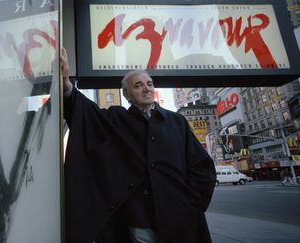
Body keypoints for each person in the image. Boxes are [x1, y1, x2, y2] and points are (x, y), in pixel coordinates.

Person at [61, 48, 216, 243]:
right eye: (138, 85)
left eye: (150, 84)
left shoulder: (177, 122)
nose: (146, 88)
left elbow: (202, 167)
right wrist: (67, 86)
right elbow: (87, 114)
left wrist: (191, 202)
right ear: (126, 94)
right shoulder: (116, 120)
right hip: (137, 222)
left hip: (180, 220)